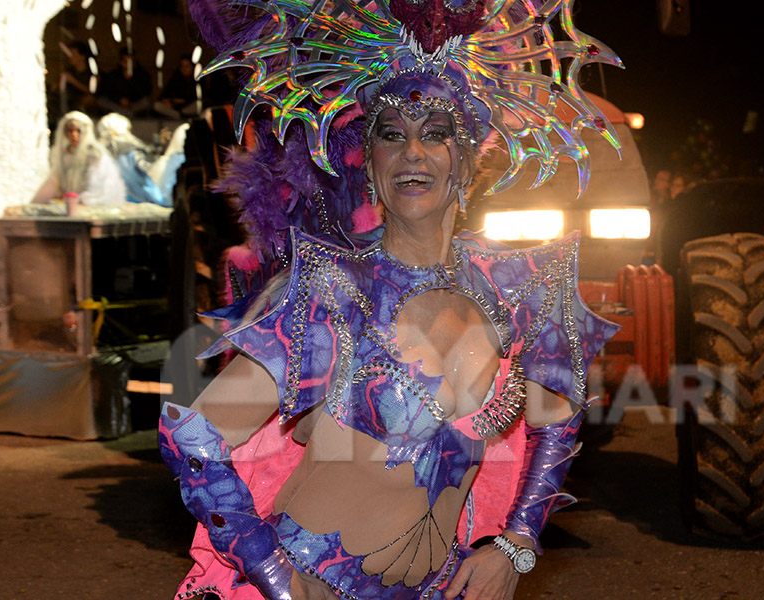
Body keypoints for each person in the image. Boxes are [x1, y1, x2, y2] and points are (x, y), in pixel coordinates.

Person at [158, 0, 622, 598]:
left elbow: (556, 422)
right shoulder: (331, 291)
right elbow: (192, 437)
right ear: (372, 167)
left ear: (468, 164)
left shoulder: (525, 288)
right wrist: (273, 574)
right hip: (314, 581)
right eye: (392, 136)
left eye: (436, 135)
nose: (413, 153)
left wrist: (517, 543)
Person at [30, 111, 126, 209]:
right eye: (69, 131)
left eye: (78, 130)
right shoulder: (64, 153)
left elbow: (98, 184)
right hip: (69, 202)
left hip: (91, 202)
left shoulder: (93, 153)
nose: (74, 135)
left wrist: (80, 199)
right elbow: (55, 179)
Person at [96, 112, 169, 206]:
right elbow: (145, 166)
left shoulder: (100, 152)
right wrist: (156, 148)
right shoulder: (132, 150)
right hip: (141, 198)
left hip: (114, 199)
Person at [97, 49, 153, 117]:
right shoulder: (113, 75)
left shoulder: (142, 75)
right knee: (101, 101)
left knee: (147, 102)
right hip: (117, 105)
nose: (128, 65)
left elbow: (145, 92)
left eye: (131, 62)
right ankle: (125, 113)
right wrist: (119, 99)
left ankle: (127, 113)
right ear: (121, 62)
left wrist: (132, 80)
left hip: (134, 105)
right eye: (126, 62)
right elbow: (107, 91)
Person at [154, 55, 199, 120]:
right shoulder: (175, 79)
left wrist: (183, 101)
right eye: (182, 66)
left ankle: (183, 115)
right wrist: (170, 101)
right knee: (157, 105)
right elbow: (164, 96)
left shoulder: (198, 80)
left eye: (187, 66)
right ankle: (178, 115)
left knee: (198, 105)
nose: (184, 69)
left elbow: (198, 98)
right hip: (174, 109)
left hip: (189, 108)